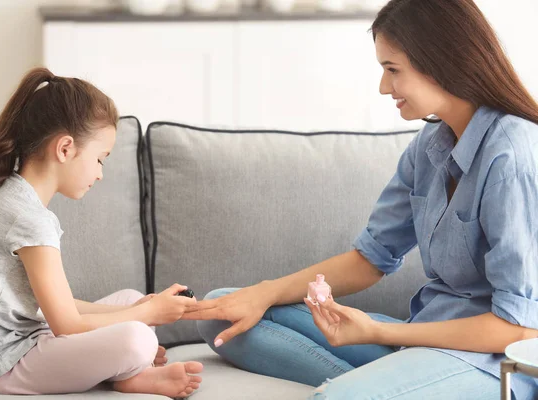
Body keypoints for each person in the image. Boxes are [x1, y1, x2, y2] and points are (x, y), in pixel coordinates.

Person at [187, 0, 538, 398]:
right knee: (222, 312)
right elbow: (371, 258)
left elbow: (520, 327)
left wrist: (378, 332)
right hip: (426, 341)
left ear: (443, 62)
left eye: (392, 70)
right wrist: (262, 292)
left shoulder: (514, 156)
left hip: (497, 361)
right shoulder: (430, 147)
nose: (384, 87)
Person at [0, 67, 203, 397]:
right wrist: (148, 314)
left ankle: (122, 367)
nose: (100, 174)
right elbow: (67, 325)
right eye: (100, 159)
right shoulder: (28, 218)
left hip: (20, 342)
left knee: (132, 300)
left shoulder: (12, 198)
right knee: (138, 337)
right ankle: (126, 374)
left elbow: (56, 308)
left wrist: (137, 308)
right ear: (65, 149)